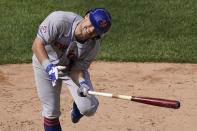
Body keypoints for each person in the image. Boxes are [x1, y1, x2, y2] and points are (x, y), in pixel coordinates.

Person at [32, 8, 112, 131]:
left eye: (96, 31)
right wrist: (48, 67)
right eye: (92, 24)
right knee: (51, 111)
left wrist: (82, 83)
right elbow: (37, 44)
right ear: (87, 16)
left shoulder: (93, 47)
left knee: (88, 108)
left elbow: (76, 70)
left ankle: (76, 108)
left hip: (70, 69)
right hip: (44, 63)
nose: (91, 30)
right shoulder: (59, 20)